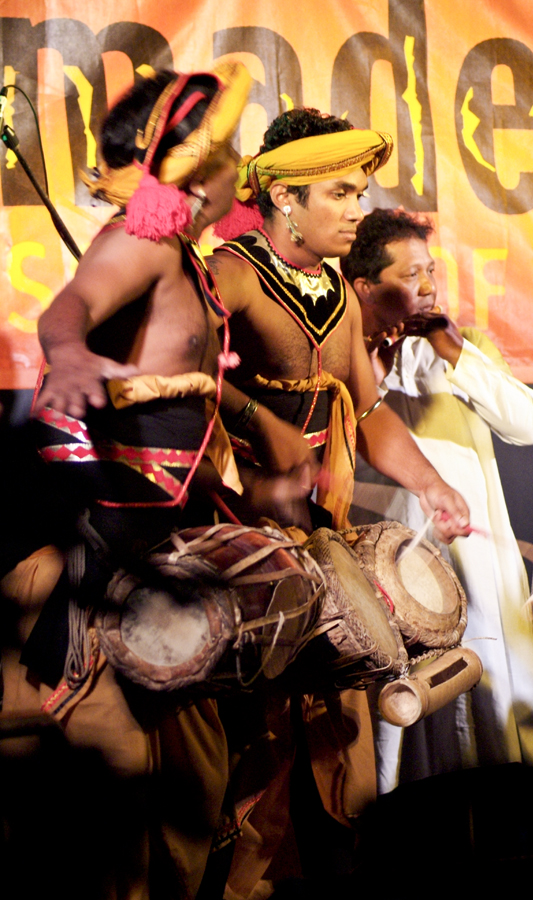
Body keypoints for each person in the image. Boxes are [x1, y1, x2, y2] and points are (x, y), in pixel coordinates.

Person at [202, 108, 472, 897]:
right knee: (257, 741)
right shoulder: (231, 274)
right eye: (343, 192)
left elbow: (371, 408)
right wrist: (257, 422)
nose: (360, 208)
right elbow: (182, 372)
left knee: (341, 731)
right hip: (246, 542)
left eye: (362, 192)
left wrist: (430, 483)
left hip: (327, 536)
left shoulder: (339, 295)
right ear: (285, 197)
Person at [2, 64, 256, 900]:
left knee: (191, 789)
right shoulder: (140, 243)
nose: (238, 171)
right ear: (187, 163)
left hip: (168, 553)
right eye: (227, 156)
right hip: (111, 556)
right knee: (114, 798)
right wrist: (69, 353)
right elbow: (66, 308)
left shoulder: (182, 253)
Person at [341, 207, 533, 793]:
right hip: (394, 581)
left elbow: (527, 423)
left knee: (494, 742)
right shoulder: (344, 366)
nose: (427, 286)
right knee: (407, 740)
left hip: (479, 580)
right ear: (364, 287)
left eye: (430, 270)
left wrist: (454, 350)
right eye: (408, 274)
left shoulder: (457, 352)